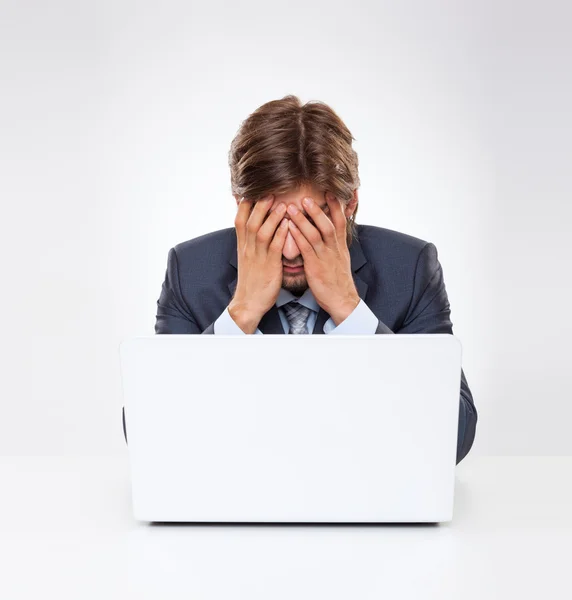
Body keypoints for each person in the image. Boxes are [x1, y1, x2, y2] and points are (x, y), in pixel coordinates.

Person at [122, 95, 477, 464]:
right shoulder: (191, 270)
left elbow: (456, 437)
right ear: (240, 206)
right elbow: (149, 435)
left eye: (310, 224)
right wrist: (240, 314)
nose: (291, 250)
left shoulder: (410, 268)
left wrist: (350, 311)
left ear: (350, 205)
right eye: (273, 222)